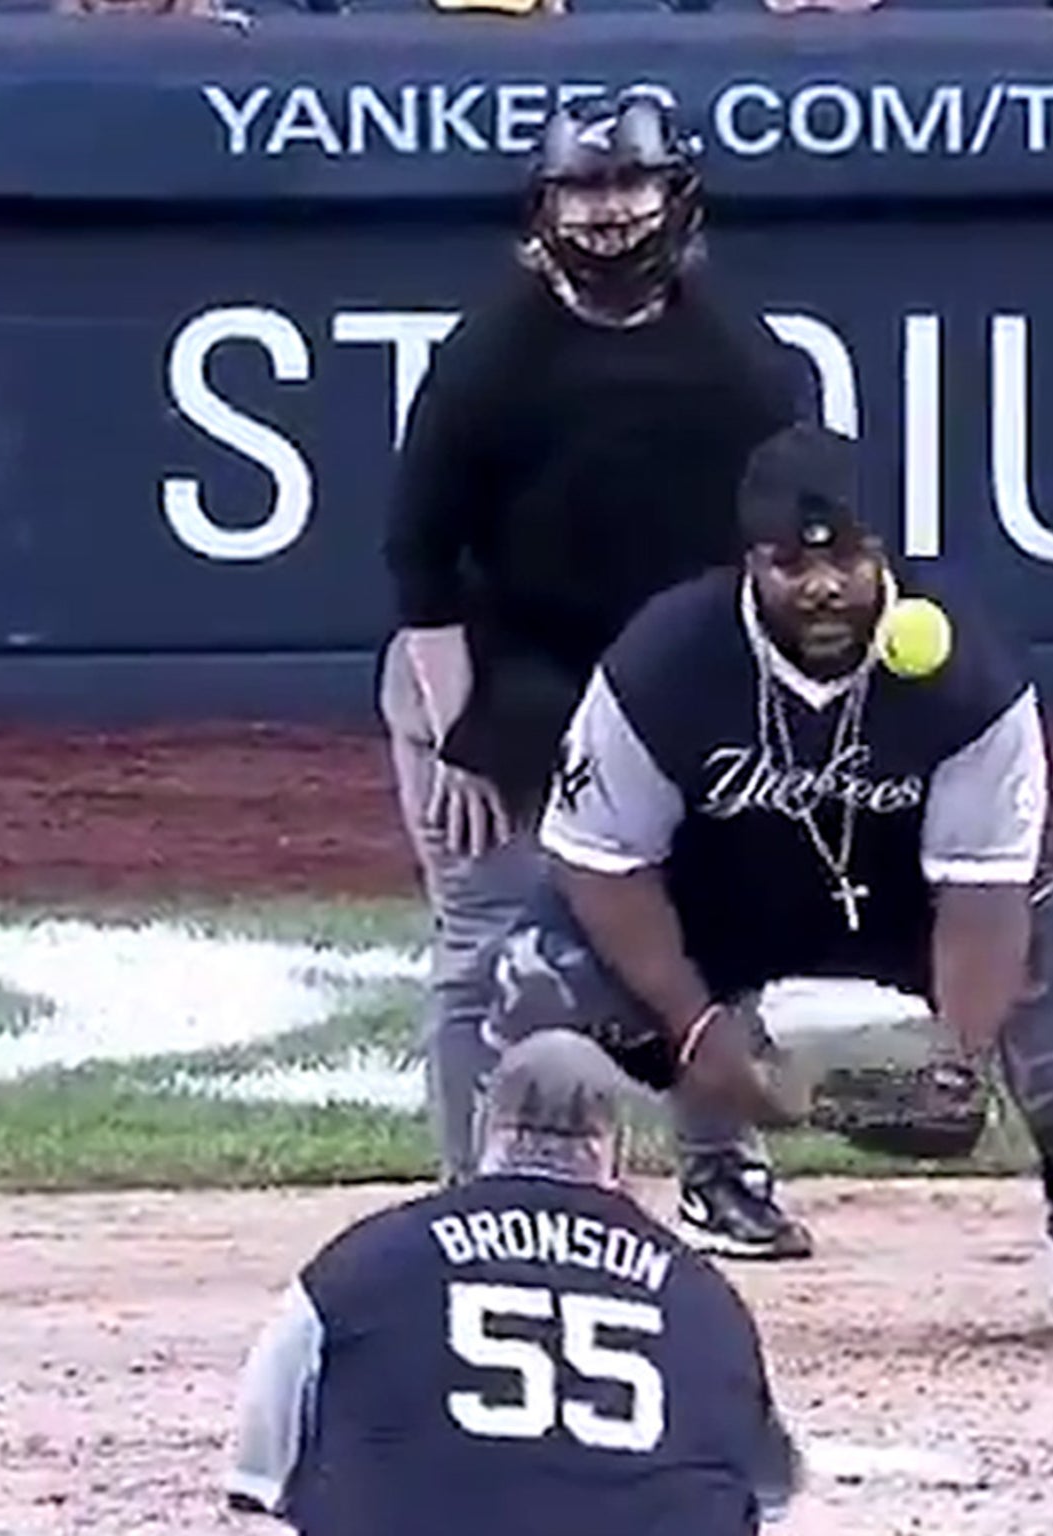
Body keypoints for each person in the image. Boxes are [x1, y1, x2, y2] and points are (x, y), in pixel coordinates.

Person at [489, 419, 1053, 1347]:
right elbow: (602, 863)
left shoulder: (969, 672)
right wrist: (696, 1030)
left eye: (847, 560)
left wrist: (953, 1063)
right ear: (749, 564)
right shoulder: (666, 661)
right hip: (713, 910)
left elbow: (985, 892)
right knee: (540, 969)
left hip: (901, 905)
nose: (820, 587)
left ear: (883, 553)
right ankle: (533, 1240)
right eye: (787, 565)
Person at [377, 88, 815, 1258]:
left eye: (625, 185)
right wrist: (458, 728)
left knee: (713, 931)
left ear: (674, 195)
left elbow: (773, 553)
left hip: (666, 681)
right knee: (485, 940)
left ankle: (723, 1175)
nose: (607, 212)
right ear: (543, 208)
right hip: (492, 667)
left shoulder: (742, 368)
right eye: (583, 189)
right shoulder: (491, 360)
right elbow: (419, 557)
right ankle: (481, 1198)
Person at [222, 1030, 801, 1536]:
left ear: (485, 1133)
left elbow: (259, 1470)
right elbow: (773, 1488)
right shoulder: (702, 1297)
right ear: (612, 1146)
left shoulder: (358, 1265)